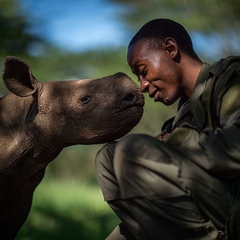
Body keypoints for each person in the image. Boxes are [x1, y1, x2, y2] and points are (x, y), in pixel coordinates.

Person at [95, 18, 240, 240]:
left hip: (231, 209)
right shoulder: (178, 119)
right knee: (107, 157)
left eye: (143, 70)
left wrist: (176, 141)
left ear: (171, 49)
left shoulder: (230, 79)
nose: (142, 86)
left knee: (132, 150)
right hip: (197, 211)